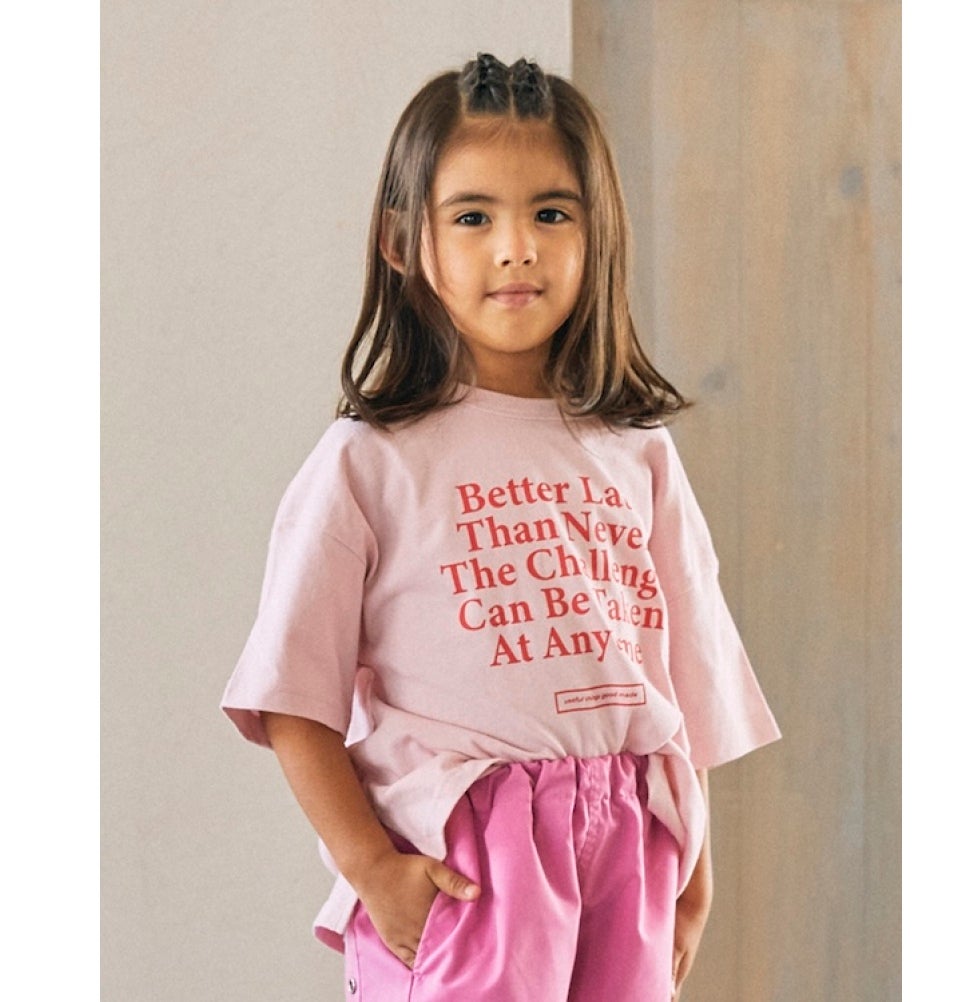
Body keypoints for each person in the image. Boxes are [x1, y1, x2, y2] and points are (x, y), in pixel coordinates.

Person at [222, 52, 780, 1001]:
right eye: (473, 217)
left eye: (551, 214)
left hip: (631, 847)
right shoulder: (370, 461)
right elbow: (292, 698)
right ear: (403, 242)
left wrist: (694, 863)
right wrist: (371, 869)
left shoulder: (636, 452)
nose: (516, 247)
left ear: (597, 233)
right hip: (467, 859)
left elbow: (678, 678)